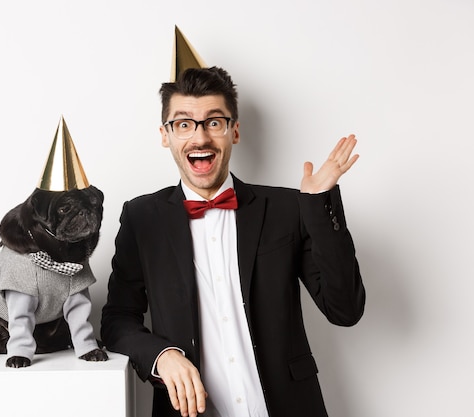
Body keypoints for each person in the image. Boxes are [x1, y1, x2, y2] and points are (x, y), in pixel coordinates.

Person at [101, 66, 365, 417]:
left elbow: (345, 309)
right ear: (165, 136)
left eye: (214, 122)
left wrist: (318, 207)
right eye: (183, 124)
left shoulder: (287, 209)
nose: (200, 138)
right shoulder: (141, 217)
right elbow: (118, 319)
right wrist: (161, 356)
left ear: (234, 131)